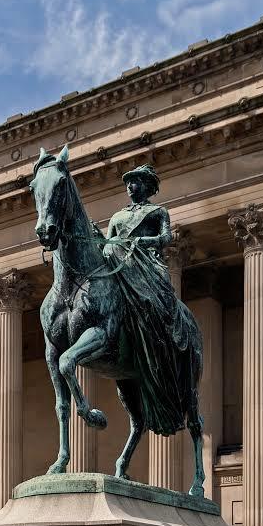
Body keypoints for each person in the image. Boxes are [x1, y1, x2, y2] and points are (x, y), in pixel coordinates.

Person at [102, 164, 202, 437]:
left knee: (153, 305)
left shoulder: (158, 212)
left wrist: (144, 242)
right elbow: (106, 245)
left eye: (136, 182)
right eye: (129, 182)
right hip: (120, 266)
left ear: (147, 186)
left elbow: (167, 237)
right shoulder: (118, 216)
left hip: (146, 266)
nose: (131, 186)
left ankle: (159, 349)